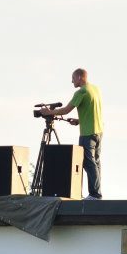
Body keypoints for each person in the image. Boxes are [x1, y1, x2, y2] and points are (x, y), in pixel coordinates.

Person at [40, 68, 103, 199]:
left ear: (80, 77)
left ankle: (95, 194)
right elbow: (92, 111)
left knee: (88, 162)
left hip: (87, 133)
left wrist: (48, 112)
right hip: (98, 131)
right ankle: (97, 193)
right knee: (96, 162)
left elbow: (66, 110)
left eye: (73, 78)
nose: (72, 81)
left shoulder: (81, 92)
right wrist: (79, 121)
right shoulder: (95, 89)